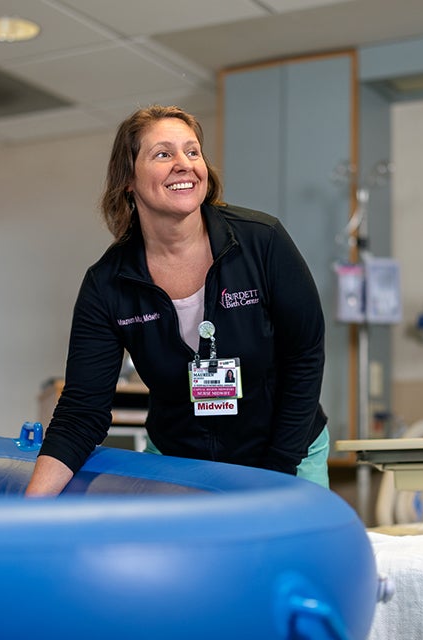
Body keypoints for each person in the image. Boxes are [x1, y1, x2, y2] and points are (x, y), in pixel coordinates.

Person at [25, 105, 328, 496]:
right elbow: (82, 411)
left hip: (287, 456)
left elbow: (305, 356)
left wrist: (275, 473)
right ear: (128, 180)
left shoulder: (261, 241)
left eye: (193, 151)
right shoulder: (108, 284)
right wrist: (29, 509)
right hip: (179, 464)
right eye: (163, 154)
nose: (184, 164)